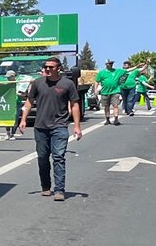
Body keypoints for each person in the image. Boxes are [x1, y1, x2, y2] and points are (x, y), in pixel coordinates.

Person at [16, 56, 82, 201]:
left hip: (59, 126)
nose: (47, 69)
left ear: (58, 68)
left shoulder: (67, 84)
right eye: (46, 66)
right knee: (42, 158)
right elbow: (29, 102)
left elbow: (75, 105)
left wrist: (77, 126)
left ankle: (59, 190)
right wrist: (23, 119)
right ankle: (45, 187)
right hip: (41, 127)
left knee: (58, 157)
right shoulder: (38, 83)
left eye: (51, 67)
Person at [95, 58, 123, 126]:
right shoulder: (102, 73)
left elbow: (128, 70)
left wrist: (136, 67)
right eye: (109, 63)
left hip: (115, 91)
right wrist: (95, 89)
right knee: (106, 106)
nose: (110, 65)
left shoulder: (117, 71)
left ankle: (116, 119)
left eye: (111, 63)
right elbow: (96, 81)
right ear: (106, 64)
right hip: (105, 92)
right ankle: (107, 119)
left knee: (115, 105)